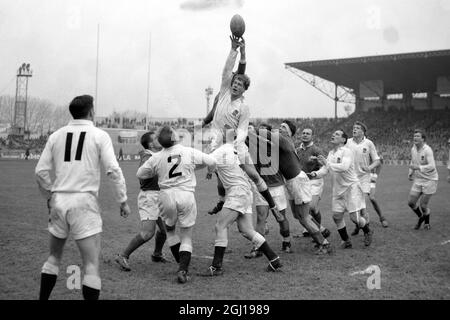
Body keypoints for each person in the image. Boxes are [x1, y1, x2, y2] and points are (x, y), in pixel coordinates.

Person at [35, 95, 130, 300]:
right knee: (91, 264)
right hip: (84, 202)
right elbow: (113, 170)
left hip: (59, 200)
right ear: (91, 111)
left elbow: (40, 171)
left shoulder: (56, 135)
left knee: (53, 258)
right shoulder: (99, 135)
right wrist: (122, 200)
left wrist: (50, 196)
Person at [207, 35, 280, 220]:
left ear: (244, 89)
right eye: (234, 82)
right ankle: (222, 201)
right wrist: (234, 50)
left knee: (254, 175)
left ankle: (273, 206)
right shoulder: (223, 92)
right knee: (220, 175)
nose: (236, 85)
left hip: (235, 146)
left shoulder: (243, 107)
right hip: (217, 143)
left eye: (240, 84)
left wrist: (233, 145)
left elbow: (242, 130)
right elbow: (226, 70)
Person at [136, 126, 217, 284]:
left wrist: (155, 172)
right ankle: (183, 270)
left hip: (166, 196)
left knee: (171, 232)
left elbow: (140, 174)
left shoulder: (157, 157)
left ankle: (180, 265)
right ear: (174, 137)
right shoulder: (188, 151)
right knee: (186, 235)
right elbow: (212, 161)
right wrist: (209, 171)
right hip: (185, 194)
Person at [200, 129, 283, 276]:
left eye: (215, 138)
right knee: (247, 230)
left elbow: (205, 161)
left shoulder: (222, 151)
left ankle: (216, 267)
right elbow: (255, 179)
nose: (213, 140)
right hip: (244, 192)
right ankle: (274, 259)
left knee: (220, 226)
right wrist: (273, 206)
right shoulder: (237, 151)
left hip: (237, 192)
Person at [252, 120, 332, 254]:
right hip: (291, 182)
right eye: (280, 126)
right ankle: (322, 232)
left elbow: (263, 133)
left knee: (304, 217)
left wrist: (247, 129)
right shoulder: (282, 142)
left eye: (284, 127)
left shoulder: (284, 139)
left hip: (297, 181)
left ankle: (324, 243)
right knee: (298, 216)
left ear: (290, 132)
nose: (280, 128)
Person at [115, 131, 168, 271]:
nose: (159, 139)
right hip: (150, 197)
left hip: (159, 196)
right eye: (156, 138)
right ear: (151, 144)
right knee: (147, 233)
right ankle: (123, 255)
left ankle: (157, 254)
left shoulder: (156, 155)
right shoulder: (147, 156)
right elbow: (142, 174)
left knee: (164, 230)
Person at [314, 129, 373, 248]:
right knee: (336, 216)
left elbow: (344, 167)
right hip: (337, 190)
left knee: (355, 219)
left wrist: (327, 163)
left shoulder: (347, 151)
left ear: (343, 139)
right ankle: (346, 240)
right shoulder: (331, 153)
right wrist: (315, 174)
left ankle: (367, 231)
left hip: (352, 189)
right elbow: (326, 169)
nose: (333, 135)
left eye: (336, 134)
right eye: (333, 133)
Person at [244, 123, 292, 259]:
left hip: (276, 186)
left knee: (281, 217)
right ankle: (258, 247)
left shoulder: (272, 144)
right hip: (261, 186)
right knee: (260, 217)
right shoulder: (251, 144)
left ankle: (286, 241)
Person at [346, 121, 387, 236]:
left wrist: (369, 168)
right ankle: (359, 226)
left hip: (364, 178)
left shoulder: (369, 143)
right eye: (353, 128)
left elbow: (377, 160)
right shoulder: (347, 142)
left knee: (361, 206)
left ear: (363, 131)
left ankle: (366, 231)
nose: (354, 129)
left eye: (357, 128)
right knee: (355, 206)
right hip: (350, 179)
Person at [296, 127, 331, 238]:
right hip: (301, 183)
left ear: (312, 136)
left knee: (311, 207)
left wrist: (316, 174)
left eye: (308, 133)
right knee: (306, 210)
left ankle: (319, 229)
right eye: (303, 133)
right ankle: (311, 229)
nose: (305, 135)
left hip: (315, 182)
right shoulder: (297, 150)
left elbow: (325, 167)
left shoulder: (316, 150)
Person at [407, 129, 439, 230]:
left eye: (417, 136)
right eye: (414, 136)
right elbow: (413, 161)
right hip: (418, 179)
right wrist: (411, 172)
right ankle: (421, 217)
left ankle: (427, 223)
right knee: (411, 202)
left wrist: (419, 168)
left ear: (423, 139)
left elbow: (432, 166)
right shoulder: (413, 148)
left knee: (423, 206)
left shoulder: (427, 150)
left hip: (430, 180)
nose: (414, 138)